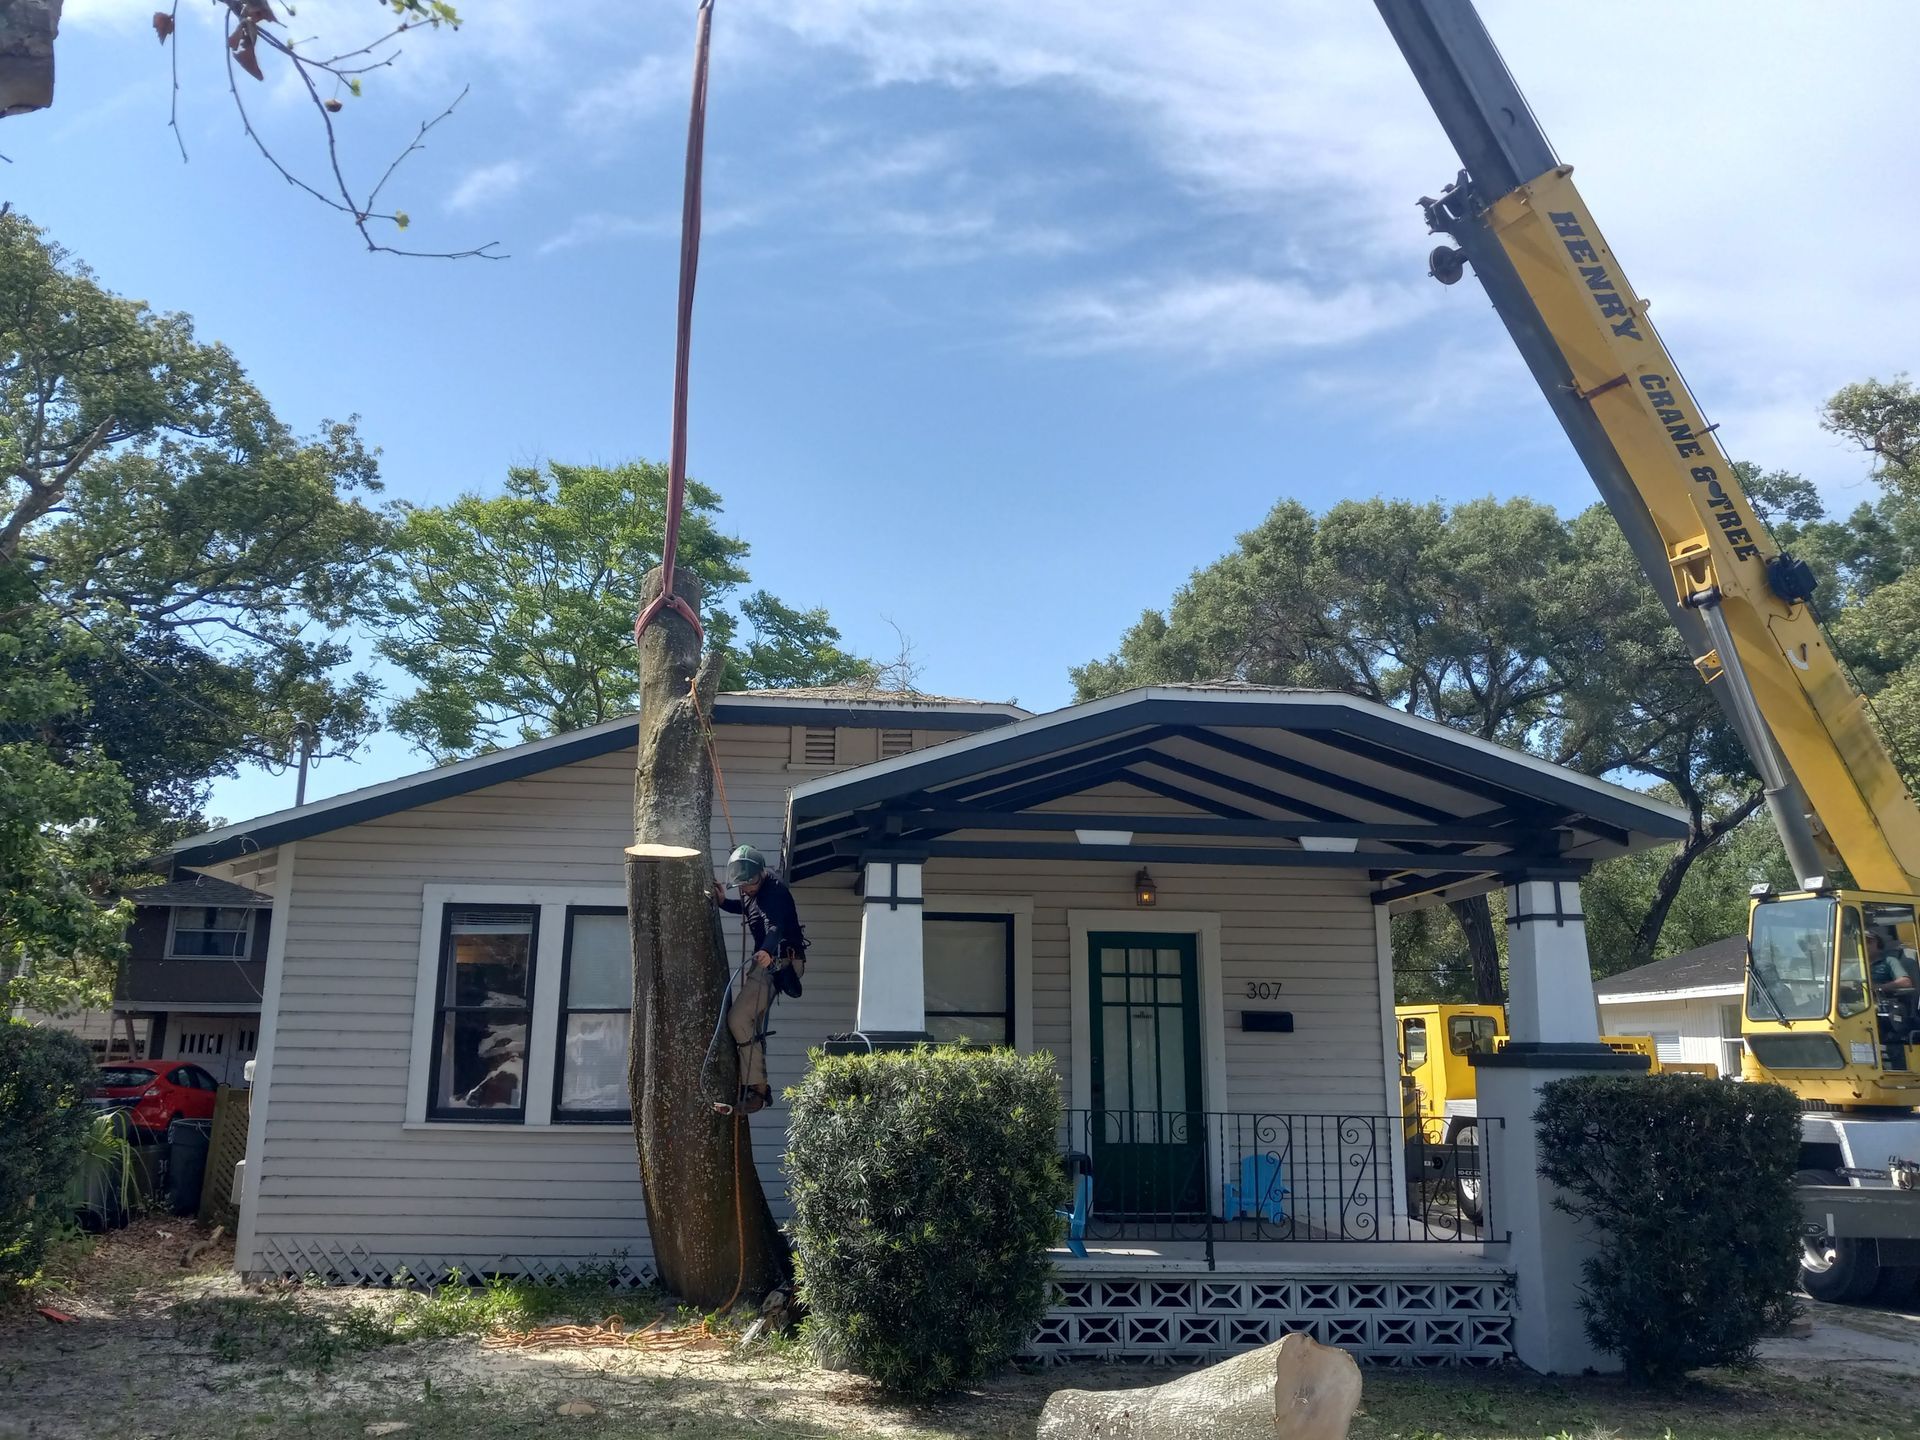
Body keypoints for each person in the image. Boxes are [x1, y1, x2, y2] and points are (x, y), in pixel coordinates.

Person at [710, 844, 806, 1114]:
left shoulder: (774, 892)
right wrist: (722, 903)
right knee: (744, 1020)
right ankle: (752, 1080)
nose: (745, 890)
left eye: (748, 886)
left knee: (739, 1019)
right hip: (768, 960)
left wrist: (765, 950)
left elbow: (774, 925)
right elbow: (748, 910)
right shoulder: (753, 890)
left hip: (779, 961)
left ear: (759, 876)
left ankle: (757, 1089)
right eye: (740, 886)